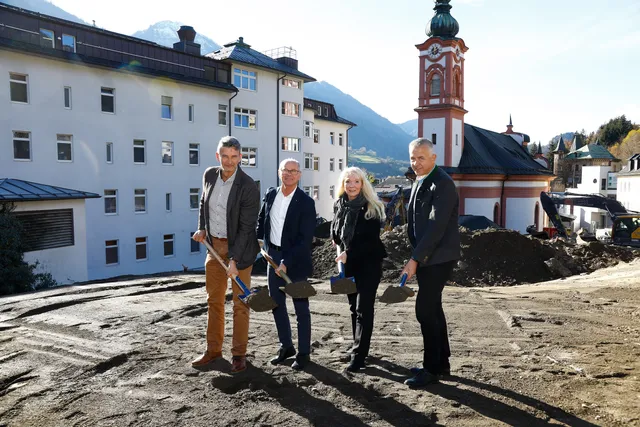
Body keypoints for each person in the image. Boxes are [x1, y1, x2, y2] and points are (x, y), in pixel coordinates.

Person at [191, 136, 260, 374]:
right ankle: (213, 351)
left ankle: (239, 355)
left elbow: (246, 228)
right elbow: (203, 202)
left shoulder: (249, 186)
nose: (229, 162)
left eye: (234, 156)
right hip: (214, 247)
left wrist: (234, 260)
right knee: (214, 301)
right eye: (225, 156)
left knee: (241, 304)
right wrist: (201, 227)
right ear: (217, 156)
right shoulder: (210, 175)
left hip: (239, 249)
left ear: (240, 157)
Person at [401, 138, 460, 387]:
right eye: (413, 158)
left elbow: (436, 228)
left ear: (433, 158)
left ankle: (431, 369)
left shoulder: (443, 184)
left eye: (421, 158)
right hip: (427, 256)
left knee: (424, 310)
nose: (416, 163)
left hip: (438, 258)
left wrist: (415, 259)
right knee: (434, 308)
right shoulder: (420, 180)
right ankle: (442, 363)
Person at [257, 159, 316, 370]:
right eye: (285, 170)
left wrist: (286, 262)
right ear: (279, 172)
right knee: (277, 305)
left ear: (299, 175)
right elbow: (262, 218)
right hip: (272, 256)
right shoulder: (271, 194)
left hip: (296, 260)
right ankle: (286, 346)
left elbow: (305, 239)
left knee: (301, 308)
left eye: (293, 171)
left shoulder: (306, 202)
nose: (289, 174)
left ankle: (303, 353)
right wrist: (259, 240)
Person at [331, 167, 387, 372]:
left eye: (356, 182)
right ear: (343, 184)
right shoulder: (340, 204)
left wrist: (349, 252)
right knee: (354, 308)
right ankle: (358, 346)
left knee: (364, 309)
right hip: (349, 264)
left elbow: (370, 242)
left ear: (363, 184)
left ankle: (359, 356)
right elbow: (337, 229)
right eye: (348, 182)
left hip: (369, 263)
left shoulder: (370, 207)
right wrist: (336, 239)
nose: (351, 185)